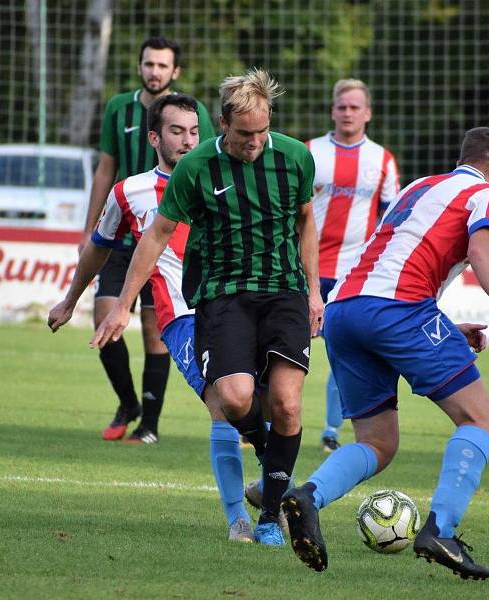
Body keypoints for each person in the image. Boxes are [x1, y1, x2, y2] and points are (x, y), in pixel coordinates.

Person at [281, 127, 489, 580]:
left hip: (345, 309)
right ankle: (440, 529)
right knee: (482, 420)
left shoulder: (419, 187)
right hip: (399, 309)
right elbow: (483, 253)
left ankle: (307, 496)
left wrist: (445, 327)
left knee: (378, 443)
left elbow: (397, 258)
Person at [91, 68, 322, 547]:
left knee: (287, 402)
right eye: (243, 134)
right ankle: (266, 450)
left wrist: (315, 291)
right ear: (222, 124)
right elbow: (156, 236)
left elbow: (305, 223)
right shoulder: (196, 168)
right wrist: (122, 305)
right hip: (223, 294)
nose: (255, 142)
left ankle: (266, 518)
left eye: (262, 131)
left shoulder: (297, 158)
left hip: (284, 292)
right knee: (236, 399)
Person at [48, 94, 254, 541]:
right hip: (181, 314)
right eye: (177, 131)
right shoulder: (130, 191)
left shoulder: (229, 176)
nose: (187, 140)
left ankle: (273, 497)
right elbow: (98, 249)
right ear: (154, 137)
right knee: (222, 404)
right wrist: (70, 300)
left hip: (242, 306)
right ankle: (239, 518)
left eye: (195, 131)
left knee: (271, 406)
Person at [81, 36, 216, 443]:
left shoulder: (192, 112)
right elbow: (106, 169)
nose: (154, 70)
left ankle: (150, 425)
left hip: (167, 235)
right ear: (140, 66)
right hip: (122, 232)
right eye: (149, 63)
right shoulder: (118, 108)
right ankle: (128, 401)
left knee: (156, 327)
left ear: (174, 71)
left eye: (162, 65)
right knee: (104, 317)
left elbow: (208, 160)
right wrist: (89, 230)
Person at [308, 78, 400, 452]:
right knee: (281, 349)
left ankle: (332, 430)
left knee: (341, 353)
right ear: (333, 111)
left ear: (368, 113)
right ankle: (265, 424)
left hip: (351, 275)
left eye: (354, 107)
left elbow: (388, 221)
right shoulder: (309, 152)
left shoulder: (382, 160)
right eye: (341, 107)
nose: (347, 113)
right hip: (306, 269)